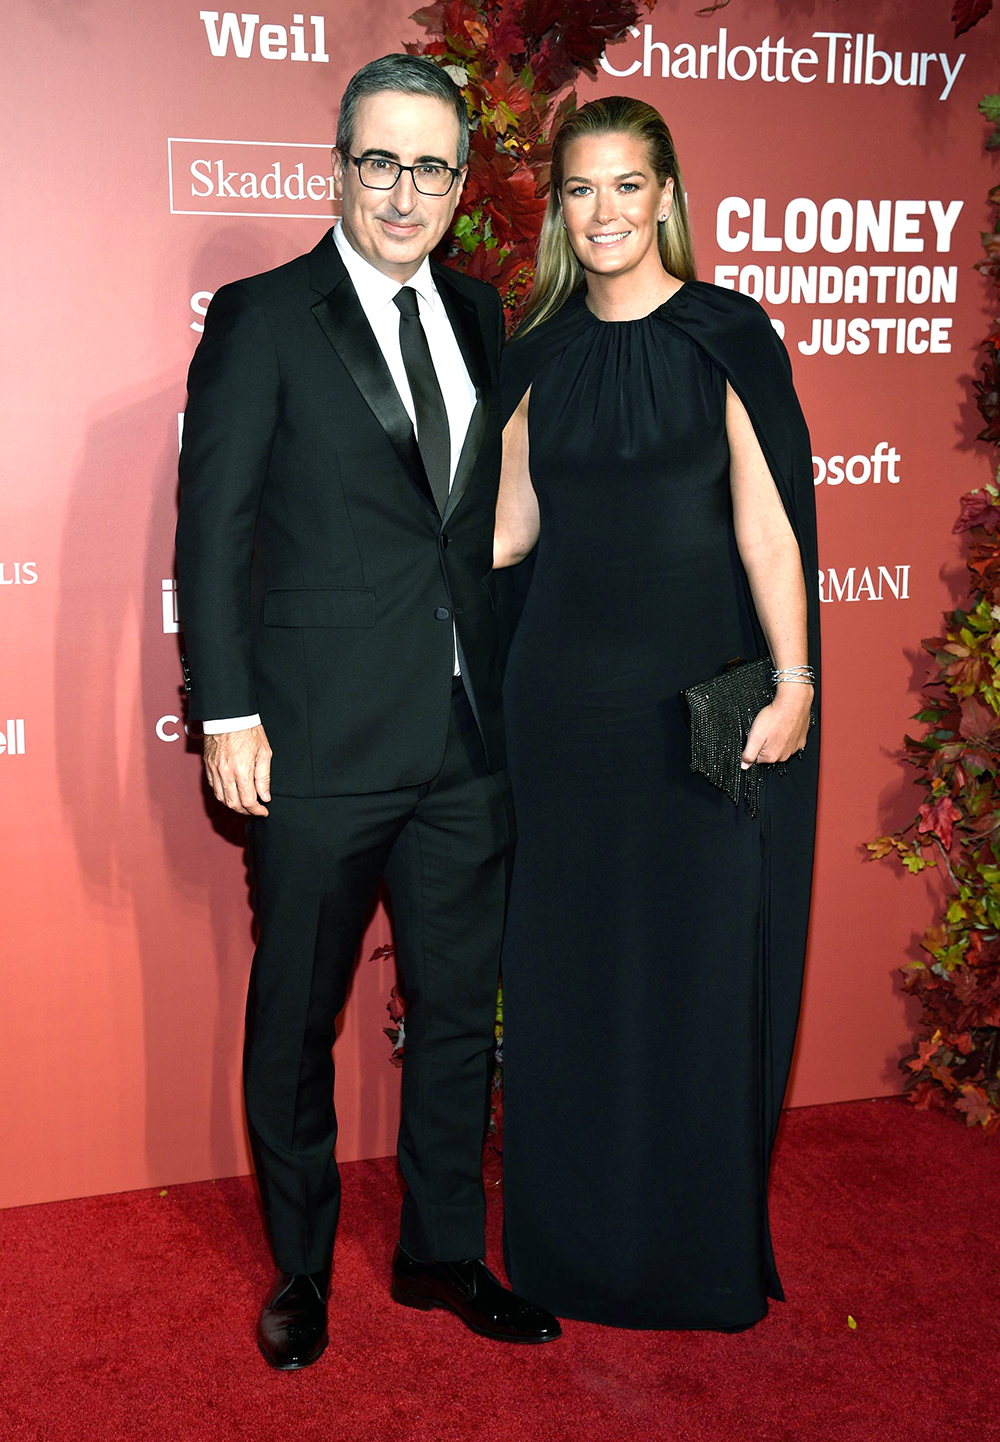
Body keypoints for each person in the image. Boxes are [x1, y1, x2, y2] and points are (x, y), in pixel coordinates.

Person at [175, 53, 560, 1370]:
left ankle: (441, 1249)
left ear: (461, 182)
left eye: (433, 165)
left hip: (463, 740)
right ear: (340, 163)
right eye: (381, 160)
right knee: (297, 1012)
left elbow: (474, 525)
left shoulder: (478, 311)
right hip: (318, 740)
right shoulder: (262, 316)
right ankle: (298, 1266)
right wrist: (226, 713)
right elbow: (213, 533)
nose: (406, 190)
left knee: (458, 1009)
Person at [493, 96, 820, 1331]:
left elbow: (767, 530)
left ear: (667, 195)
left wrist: (792, 682)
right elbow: (512, 529)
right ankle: (570, 1254)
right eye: (582, 190)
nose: (605, 212)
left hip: (705, 711)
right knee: (570, 982)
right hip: (561, 714)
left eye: (628, 186)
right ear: (559, 212)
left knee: (692, 976)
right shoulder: (537, 351)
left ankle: (692, 1257)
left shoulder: (727, 335)